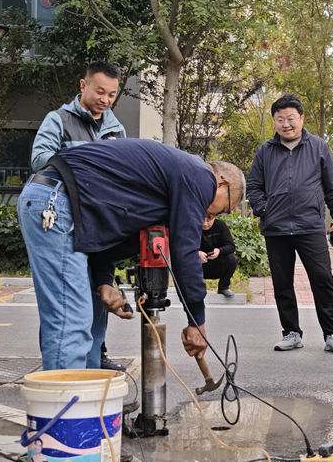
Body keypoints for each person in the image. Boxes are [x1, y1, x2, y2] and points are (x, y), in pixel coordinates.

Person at [18, 137, 243, 371]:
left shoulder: (167, 185)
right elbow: (185, 250)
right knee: (70, 320)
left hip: (67, 203)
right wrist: (197, 320)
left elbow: (107, 234)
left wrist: (102, 282)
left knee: (93, 317)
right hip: (57, 200)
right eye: (225, 209)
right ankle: (67, 403)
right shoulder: (199, 175)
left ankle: (87, 397)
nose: (215, 215)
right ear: (222, 183)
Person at [31, 60, 127, 371]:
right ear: (83, 85)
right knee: (69, 303)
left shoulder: (116, 129)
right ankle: (64, 374)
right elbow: (39, 158)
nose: (105, 99)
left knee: (97, 293)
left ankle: (93, 358)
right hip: (61, 214)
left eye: (112, 94)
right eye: (100, 91)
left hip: (96, 218)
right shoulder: (58, 119)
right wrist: (86, 162)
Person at [246, 93, 333, 354]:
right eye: (280, 119)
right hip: (276, 228)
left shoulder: (318, 147)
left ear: (301, 118)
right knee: (282, 283)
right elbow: (253, 186)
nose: (286, 124)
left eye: (291, 118)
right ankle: (291, 332)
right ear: (274, 121)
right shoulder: (265, 151)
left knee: (322, 279)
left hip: (310, 225)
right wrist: (264, 209)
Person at [199, 215, 238, 298]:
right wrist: (196, 252)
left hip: (217, 264)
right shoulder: (192, 227)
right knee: (185, 258)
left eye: (208, 221)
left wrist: (219, 251)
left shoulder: (220, 226)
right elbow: (183, 246)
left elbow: (231, 246)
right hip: (198, 265)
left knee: (231, 258)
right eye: (202, 220)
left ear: (214, 217)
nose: (205, 224)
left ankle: (223, 287)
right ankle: (194, 288)